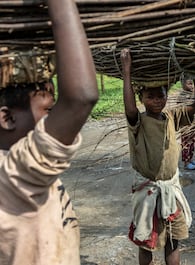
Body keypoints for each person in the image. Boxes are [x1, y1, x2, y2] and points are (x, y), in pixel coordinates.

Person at [0, 0, 99, 263]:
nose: (55, 119)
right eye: (49, 110)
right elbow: (81, 98)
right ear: (7, 118)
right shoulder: (15, 173)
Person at [120, 48, 195, 265]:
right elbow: (129, 109)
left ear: (167, 95)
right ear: (141, 98)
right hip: (148, 190)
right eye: (151, 96)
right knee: (146, 240)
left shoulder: (172, 116)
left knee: (174, 239)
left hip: (171, 188)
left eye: (161, 95)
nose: (157, 100)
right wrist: (127, 71)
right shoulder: (137, 122)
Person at [179, 78, 195, 170]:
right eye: (189, 84)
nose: (192, 86)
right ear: (183, 85)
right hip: (186, 124)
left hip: (192, 123)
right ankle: (186, 163)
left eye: (192, 84)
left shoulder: (191, 95)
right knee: (186, 143)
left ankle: (191, 159)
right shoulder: (182, 96)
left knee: (192, 142)